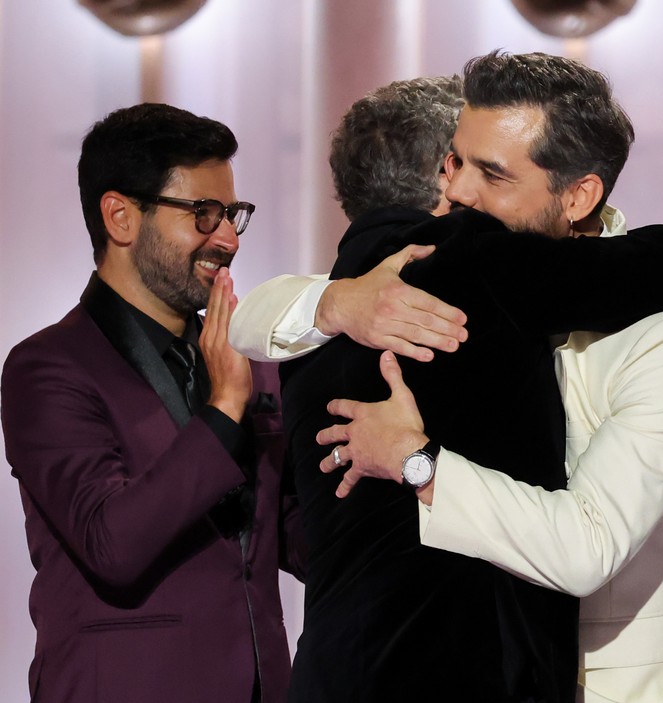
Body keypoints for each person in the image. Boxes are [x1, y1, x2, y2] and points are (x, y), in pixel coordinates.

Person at [234, 57, 663, 702]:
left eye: (491, 174)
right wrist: (336, 303)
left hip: (611, 684)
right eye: (453, 163)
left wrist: (416, 464)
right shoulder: (419, 278)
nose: (458, 194)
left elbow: (586, 548)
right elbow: (258, 314)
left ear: (579, 195)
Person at [0, 102, 466, 703]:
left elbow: (292, 534)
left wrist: (405, 474)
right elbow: (110, 543)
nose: (226, 238)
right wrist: (223, 410)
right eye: (203, 214)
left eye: (232, 215)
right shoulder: (47, 368)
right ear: (120, 216)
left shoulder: (245, 357)